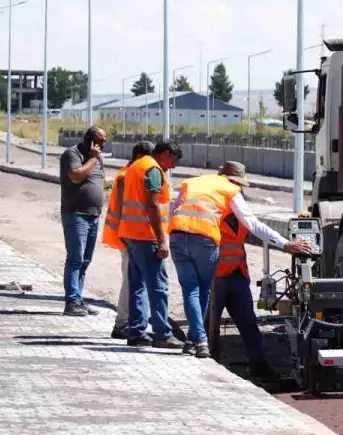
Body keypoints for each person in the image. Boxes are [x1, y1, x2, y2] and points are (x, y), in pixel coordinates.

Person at [207, 161, 313, 381]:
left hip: (237, 274)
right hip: (215, 276)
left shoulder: (237, 206)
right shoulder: (210, 208)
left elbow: (254, 228)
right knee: (211, 325)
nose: (239, 190)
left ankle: (259, 366)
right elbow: (255, 226)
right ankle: (210, 367)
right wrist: (285, 245)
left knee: (248, 322)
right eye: (236, 184)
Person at [167, 162, 248, 358]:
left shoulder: (195, 186)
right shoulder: (229, 195)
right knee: (201, 292)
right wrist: (284, 244)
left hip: (179, 237)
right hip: (207, 250)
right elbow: (252, 223)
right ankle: (201, 340)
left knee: (190, 292)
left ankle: (192, 339)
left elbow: (173, 210)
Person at [116, 140, 184, 349]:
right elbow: (153, 206)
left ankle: (136, 332)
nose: (172, 166)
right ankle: (162, 333)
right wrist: (162, 239)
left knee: (137, 284)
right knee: (158, 286)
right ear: (165, 154)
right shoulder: (153, 170)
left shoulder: (136, 165)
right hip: (146, 236)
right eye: (173, 161)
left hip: (130, 233)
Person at [101, 140, 154, 339]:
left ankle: (127, 322)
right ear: (141, 156)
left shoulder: (129, 173)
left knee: (134, 281)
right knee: (132, 282)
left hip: (132, 236)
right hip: (130, 237)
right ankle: (122, 324)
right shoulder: (127, 176)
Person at [59, 125, 107, 316]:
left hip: (93, 215)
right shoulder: (72, 154)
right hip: (76, 214)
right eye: (101, 140)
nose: (103, 144)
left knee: (85, 260)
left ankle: (78, 298)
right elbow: (76, 176)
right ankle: (71, 302)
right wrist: (93, 158)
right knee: (75, 259)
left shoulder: (98, 158)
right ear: (90, 140)